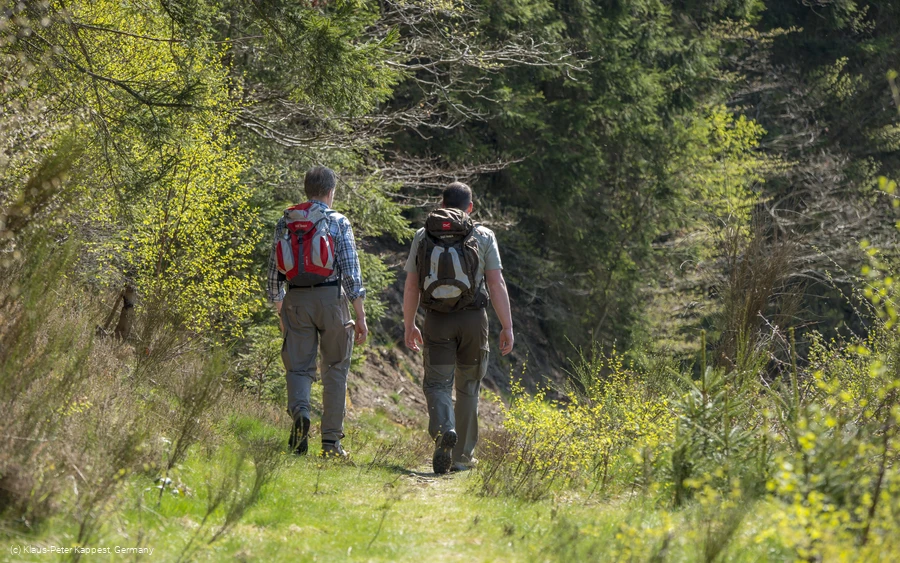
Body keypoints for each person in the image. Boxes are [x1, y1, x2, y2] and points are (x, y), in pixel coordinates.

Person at [402, 182, 514, 474]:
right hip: (473, 321)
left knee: (437, 384)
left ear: (441, 205)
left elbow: (412, 285)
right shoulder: (484, 235)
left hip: (437, 320)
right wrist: (507, 326)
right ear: (470, 207)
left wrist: (409, 323)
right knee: (468, 388)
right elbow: (496, 283)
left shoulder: (423, 235)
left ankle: (443, 431)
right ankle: (462, 457)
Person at [267, 166, 368, 459]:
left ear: (306, 189)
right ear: (330, 191)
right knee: (335, 369)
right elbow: (351, 271)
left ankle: (300, 412)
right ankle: (331, 444)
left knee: (298, 368)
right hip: (332, 299)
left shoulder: (285, 221)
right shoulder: (338, 221)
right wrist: (359, 315)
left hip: (296, 299)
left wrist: (281, 309)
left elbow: (274, 275)